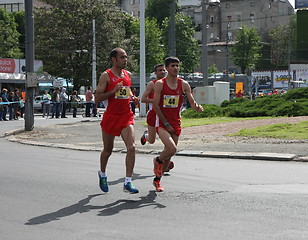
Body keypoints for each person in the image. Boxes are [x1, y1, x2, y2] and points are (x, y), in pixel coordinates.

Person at [152, 56, 204, 192]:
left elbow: (191, 101)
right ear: (167, 68)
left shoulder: (184, 84)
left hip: (176, 122)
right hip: (163, 122)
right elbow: (156, 105)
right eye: (172, 66)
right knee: (172, 148)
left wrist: (197, 107)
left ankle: (157, 180)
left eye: (177, 66)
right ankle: (157, 160)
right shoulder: (160, 84)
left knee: (168, 156)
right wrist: (166, 123)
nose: (175, 68)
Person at [95, 47, 139, 194]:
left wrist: (133, 98)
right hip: (111, 116)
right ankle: (102, 174)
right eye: (122, 57)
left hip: (126, 115)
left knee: (131, 147)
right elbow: (97, 98)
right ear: (114, 60)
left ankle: (128, 182)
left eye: (126, 57)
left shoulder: (128, 75)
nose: (125, 60)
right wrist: (112, 91)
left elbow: (127, 92)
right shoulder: (106, 76)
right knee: (108, 150)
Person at [140, 63, 166, 145]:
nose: (162, 72)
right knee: (152, 140)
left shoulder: (168, 83)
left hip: (165, 113)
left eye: (163, 70)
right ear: (155, 73)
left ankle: (166, 154)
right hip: (153, 114)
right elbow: (143, 99)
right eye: (160, 70)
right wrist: (155, 100)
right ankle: (145, 136)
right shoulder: (152, 84)